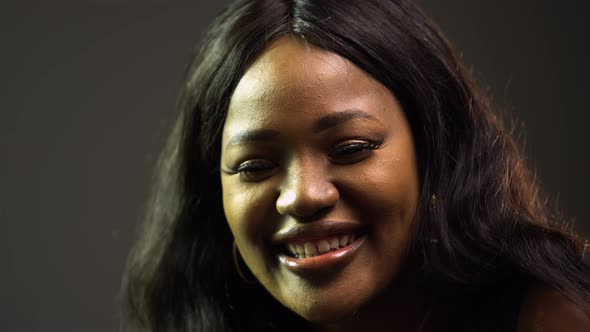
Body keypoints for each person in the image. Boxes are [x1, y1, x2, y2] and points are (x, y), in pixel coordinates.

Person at [120, 0, 590, 331]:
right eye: (254, 166)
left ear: (436, 151)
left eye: (351, 148)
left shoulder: (554, 316)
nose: (303, 195)